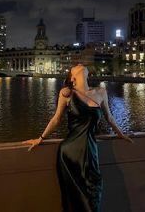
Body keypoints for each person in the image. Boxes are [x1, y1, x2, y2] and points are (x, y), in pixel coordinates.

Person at [22, 64, 134, 212]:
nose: (79, 64)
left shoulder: (101, 92)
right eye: (75, 67)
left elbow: (110, 118)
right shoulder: (67, 93)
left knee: (94, 189)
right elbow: (56, 119)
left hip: (90, 149)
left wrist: (121, 134)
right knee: (75, 198)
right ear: (73, 78)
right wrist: (40, 138)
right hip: (70, 153)